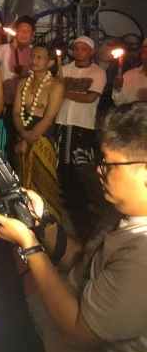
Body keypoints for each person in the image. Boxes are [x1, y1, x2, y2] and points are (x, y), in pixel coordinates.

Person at [0, 102, 147, 352]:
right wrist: (40, 221)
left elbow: (79, 333)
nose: (99, 170)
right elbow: (83, 261)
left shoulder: (141, 256)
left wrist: (29, 246)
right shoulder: (121, 214)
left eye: (110, 164)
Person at [56, 36, 107, 237]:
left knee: (81, 168)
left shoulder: (98, 72)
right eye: (76, 48)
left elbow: (90, 98)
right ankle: (66, 209)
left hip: (83, 125)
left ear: (91, 52)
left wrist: (63, 91)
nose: (79, 52)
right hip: (62, 121)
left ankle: (84, 215)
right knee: (62, 166)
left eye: (83, 49)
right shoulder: (64, 69)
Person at [12, 45, 66, 221]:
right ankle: (25, 218)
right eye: (32, 56)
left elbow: (49, 117)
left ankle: (49, 222)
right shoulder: (23, 82)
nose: (34, 61)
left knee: (44, 184)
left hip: (43, 137)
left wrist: (29, 138)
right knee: (22, 180)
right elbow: (15, 112)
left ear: (50, 62)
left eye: (39, 57)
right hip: (23, 133)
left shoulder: (56, 85)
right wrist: (22, 134)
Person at [0, 15, 36, 106]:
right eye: (21, 30)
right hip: (3, 99)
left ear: (33, 34)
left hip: (27, 100)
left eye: (27, 31)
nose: (24, 33)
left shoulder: (35, 53)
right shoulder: (4, 49)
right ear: (16, 32)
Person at [112, 37, 147, 106]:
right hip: (133, 115)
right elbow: (119, 102)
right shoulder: (129, 75)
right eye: (145, 52)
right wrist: (117, 88)